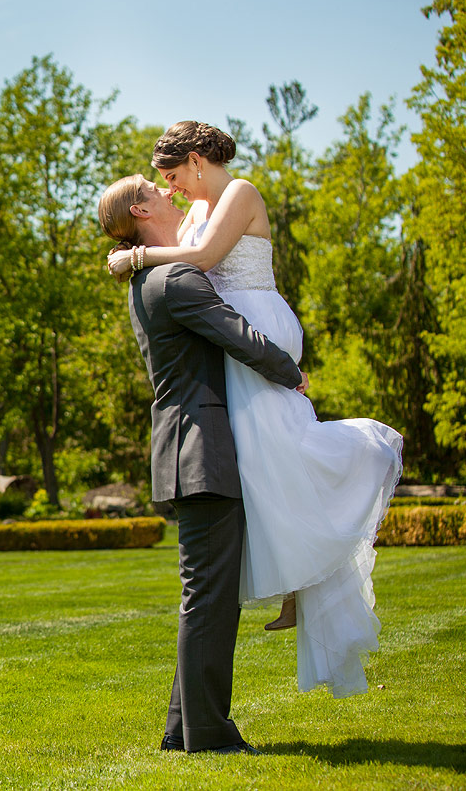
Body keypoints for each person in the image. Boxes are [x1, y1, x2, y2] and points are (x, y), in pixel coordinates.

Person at [106, 122, 404, 699]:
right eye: (160, 185)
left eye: (171, 177)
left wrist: (136, 254)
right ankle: (300, 581)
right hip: (232, 338)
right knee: (263, 464)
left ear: (196, 161)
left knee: (286, 446)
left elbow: (204, 257)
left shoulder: (238, 192)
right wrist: (135, 249)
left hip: (255, 327)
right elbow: (181, 258)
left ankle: (357, 473)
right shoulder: (190, 213)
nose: (170, 191)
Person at [99, 174, 307, 754]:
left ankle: (180, 729)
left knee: (205, 595)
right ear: (140, 208)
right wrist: (291, 372)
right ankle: (209, 734)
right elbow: (238, 334)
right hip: (205, 451)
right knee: (209, 599)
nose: (167, 191)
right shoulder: (175, 278)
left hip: (186, 450)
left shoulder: (150, 277)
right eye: (153, 187)